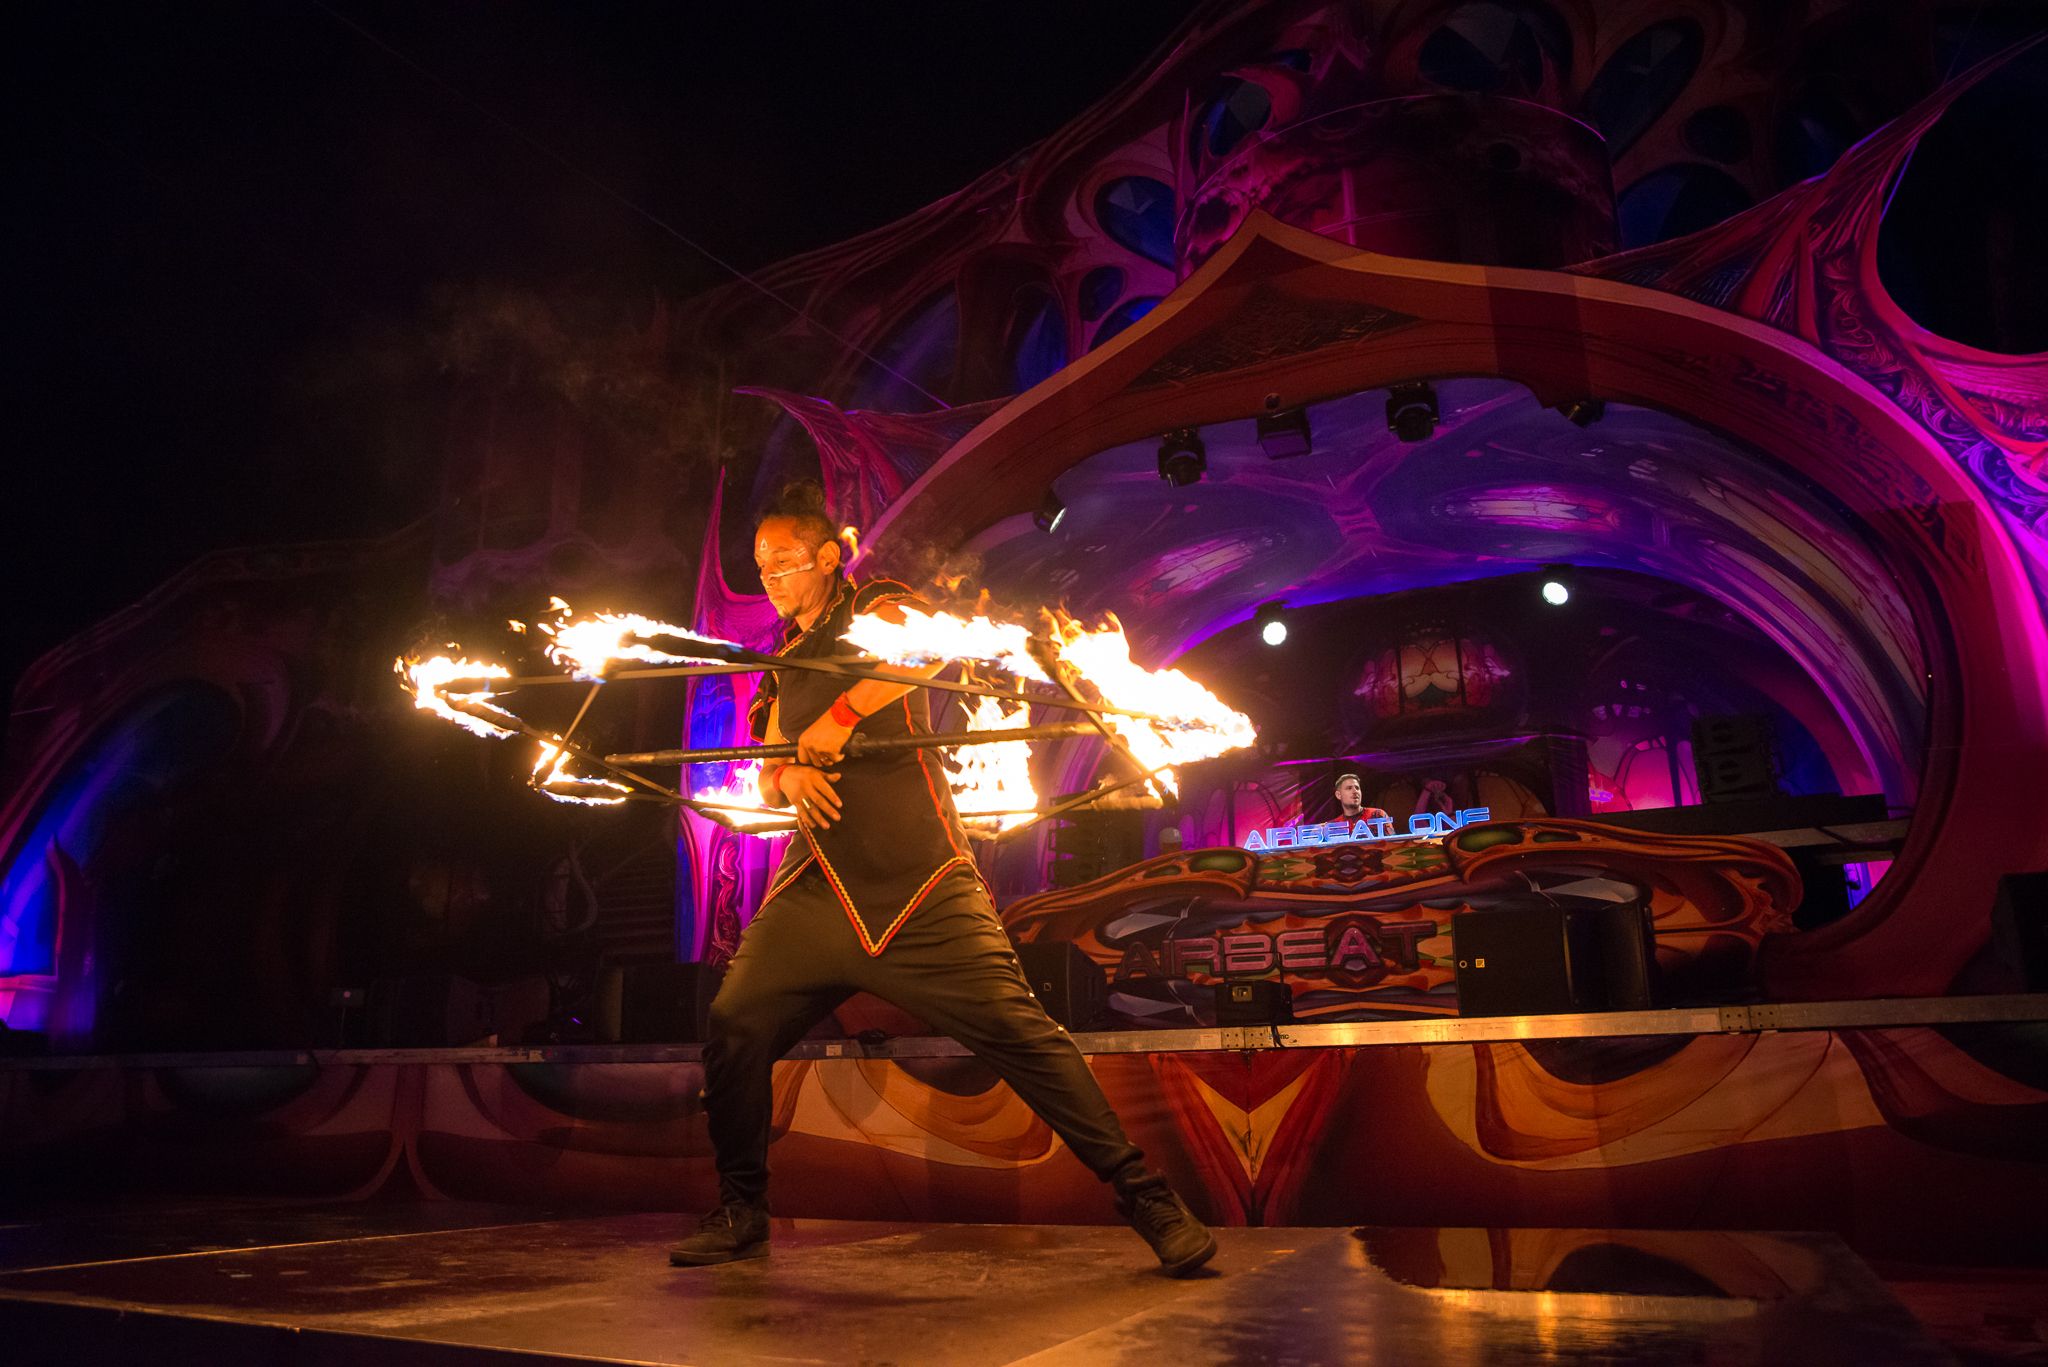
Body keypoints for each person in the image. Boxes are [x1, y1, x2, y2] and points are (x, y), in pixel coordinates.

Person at [668, 480, 1216, 1277]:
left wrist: (842, 717)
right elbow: (768, 769)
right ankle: (741, 1207)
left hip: (920, 882)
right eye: (760, 564)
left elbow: (924, 655)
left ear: (828, 557)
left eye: (784, 560)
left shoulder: (879, 606)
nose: (770, 577)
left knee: (1020, 1032)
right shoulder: (782, 661)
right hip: (819, 890)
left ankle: (1148, 1197)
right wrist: (788, 778)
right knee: (734, 1023)